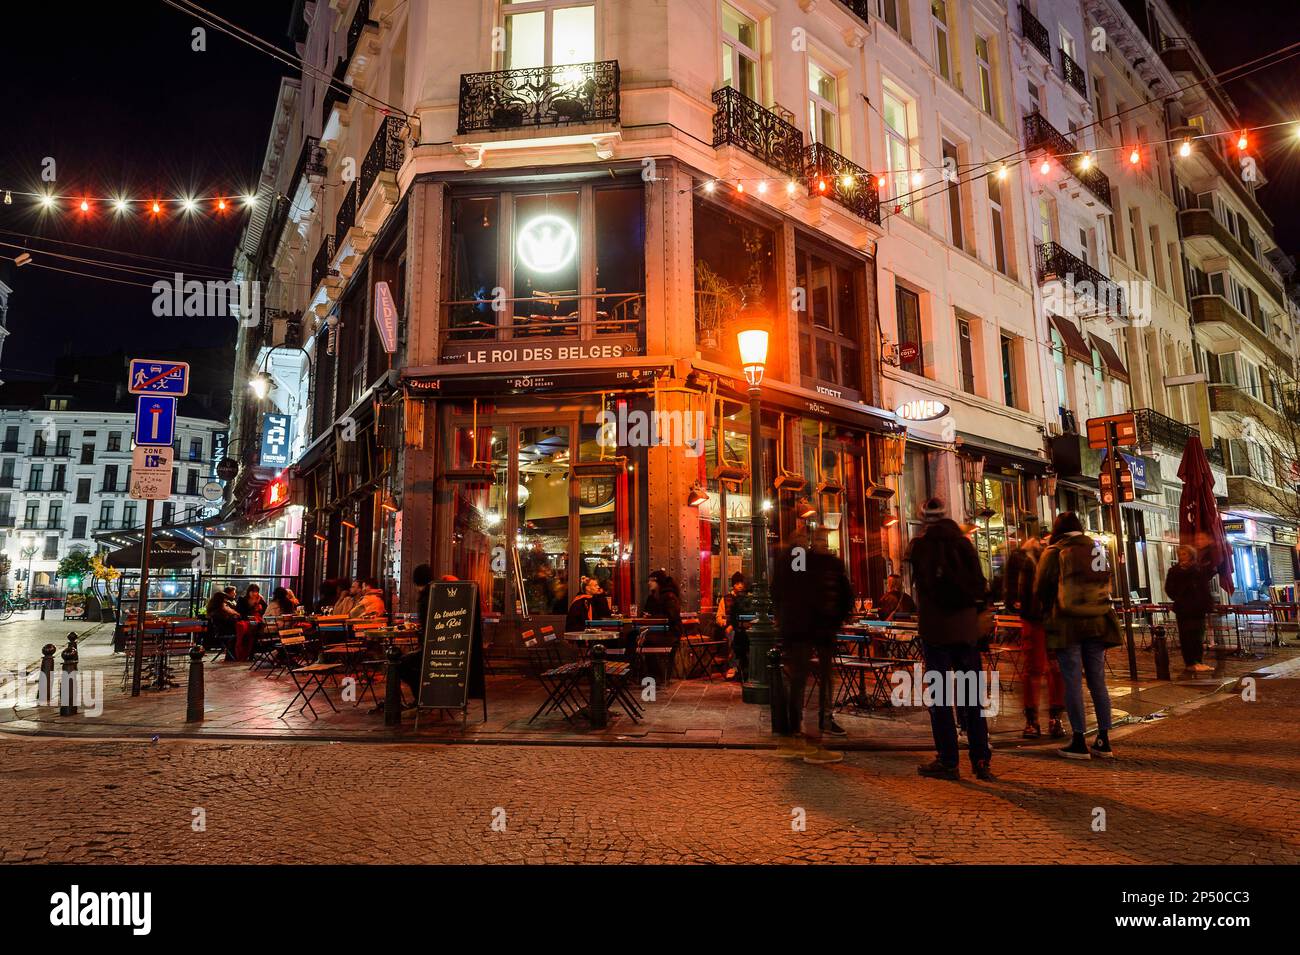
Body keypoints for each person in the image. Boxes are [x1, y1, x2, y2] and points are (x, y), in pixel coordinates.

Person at [906, 497, 994, 781]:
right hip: (966, 631)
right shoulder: (964, 543)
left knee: (941, 700)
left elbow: (921, 587)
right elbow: (980, 584)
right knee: (972, 699)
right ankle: (980, 759)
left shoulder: (921, 547)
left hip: (936, 632)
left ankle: (948, 760)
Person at [1035, 511, 1120, 760]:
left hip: (1067, 625)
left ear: (1059, 530)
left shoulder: (1054, 552)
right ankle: (1104, 739)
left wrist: (1046, 616)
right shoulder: (1098, 549)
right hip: (1098, 623)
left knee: (1072, 681)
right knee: (1098, 682)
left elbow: (1041, 589)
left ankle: (1079, 739)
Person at [771, 533, 854, 764]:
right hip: (817, 632)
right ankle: (813, 742)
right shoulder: (820, 564)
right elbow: (840, 596)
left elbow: (776, 594)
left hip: (796, 631)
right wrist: (832, 622)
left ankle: (791, 739)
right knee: (817, 686)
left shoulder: (785, 563)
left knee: (799, 683)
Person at [1008, 535, 1065, 738]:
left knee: (1042, 669)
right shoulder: (1054, 556)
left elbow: (1011, 592)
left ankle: (1038, 720)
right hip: (1047, 619)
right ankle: (1051, 718)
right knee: (1051, 669)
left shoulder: (1024, 558)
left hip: (1038, 619)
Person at [1165, 544, 1216, 673]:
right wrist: (1179, 597)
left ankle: (1198, 661)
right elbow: (1169, 588)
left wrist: (1208, 604)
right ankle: (1190, 662)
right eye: (1180, 554)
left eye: (1184, 554)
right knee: (1186, 636)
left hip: (1197, 608)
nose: (1182, 557)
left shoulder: (1198, 570)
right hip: (1183, 608)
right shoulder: (1175, 571)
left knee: (1198, 635)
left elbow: (1205, 588)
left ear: (1191, 555)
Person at [399, 564, 435, 701]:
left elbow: (427, 624)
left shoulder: (425, 598)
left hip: (429, 650)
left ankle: (421, 699)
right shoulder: (436, 593)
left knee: (400, 664)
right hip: (440, 649)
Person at [716, 572, 750, 681]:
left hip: (743, 628)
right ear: (733, 585)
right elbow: (719, 617)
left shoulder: (747, 598)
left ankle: (738, 667)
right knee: (733, 634)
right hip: (730, 629)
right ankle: (734, 666)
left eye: (741, 583)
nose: (740, 585)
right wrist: (725, 624)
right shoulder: (725, 599)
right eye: (737, 583)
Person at [204, 586, 240, 661]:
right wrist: (233, 615)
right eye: (225, 601)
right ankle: (234, 655)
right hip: (224, 632)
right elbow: (228, 622)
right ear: (220, 602)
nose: (226, 603)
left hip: (225, 631)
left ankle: (233, 655)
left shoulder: (218, 611)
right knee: (242, 633)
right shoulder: (218, 613)